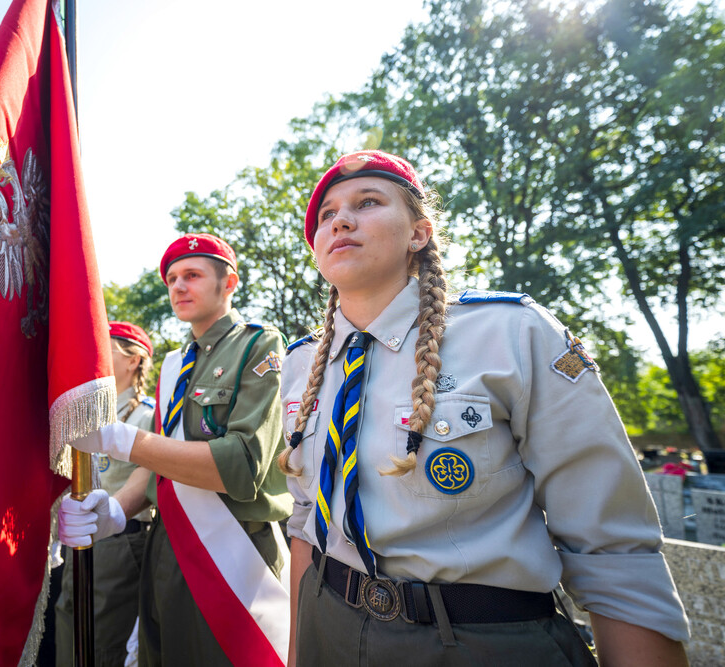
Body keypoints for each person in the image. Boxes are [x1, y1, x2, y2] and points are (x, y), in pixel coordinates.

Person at [279, 150, 690, 667]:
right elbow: (303, 520)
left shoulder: (513, 333)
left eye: (367, 202)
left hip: (478, 642)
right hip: (328, 627)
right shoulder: (299, 366)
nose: (340, 219)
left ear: (418, 234)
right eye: (326, 215)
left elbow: (610, 545)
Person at [65, 233, 293, 666]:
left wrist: (122, 439)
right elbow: (160, 466)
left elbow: (243, 465)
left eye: (192, 275)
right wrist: (115, 511)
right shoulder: (174, 364)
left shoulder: (259, 345)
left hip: (234, 547)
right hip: (164, 547)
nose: (178, 287)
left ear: (228, 284)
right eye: (172, 279)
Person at [55, 321, 156, 667]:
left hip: (122, 541)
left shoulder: (149, 416)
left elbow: (151, 475)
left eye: (106, 348)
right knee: (68, 624)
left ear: (133, 360)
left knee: (104, 640)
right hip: (80, 537)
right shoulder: (85, 416)